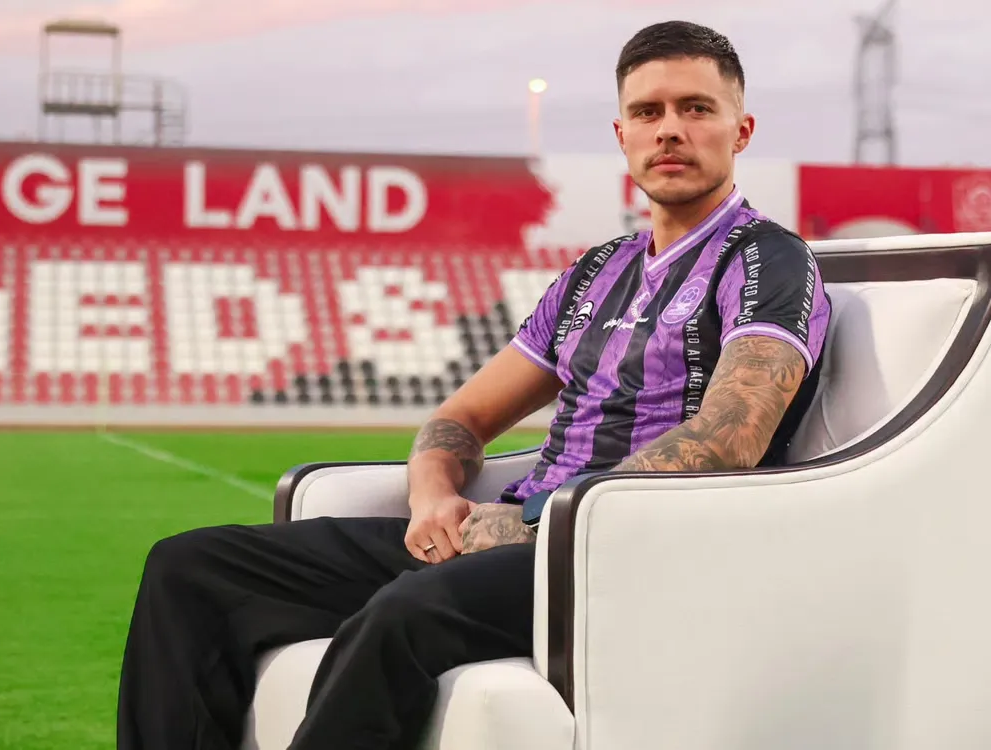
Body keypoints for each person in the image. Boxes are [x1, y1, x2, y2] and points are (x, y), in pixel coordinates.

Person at [116, 19, 832, 750]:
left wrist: (538, 523)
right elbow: (461, 418)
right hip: (515, 533)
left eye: (696, 108)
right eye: (648, 112)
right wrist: (433, 496)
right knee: (189, 569)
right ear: (622, 135)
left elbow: (729, 438)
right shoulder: (597, 270)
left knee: (404, 612)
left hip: (626, 550)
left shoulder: (768, 259)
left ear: (741, 131)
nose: (669, 129)